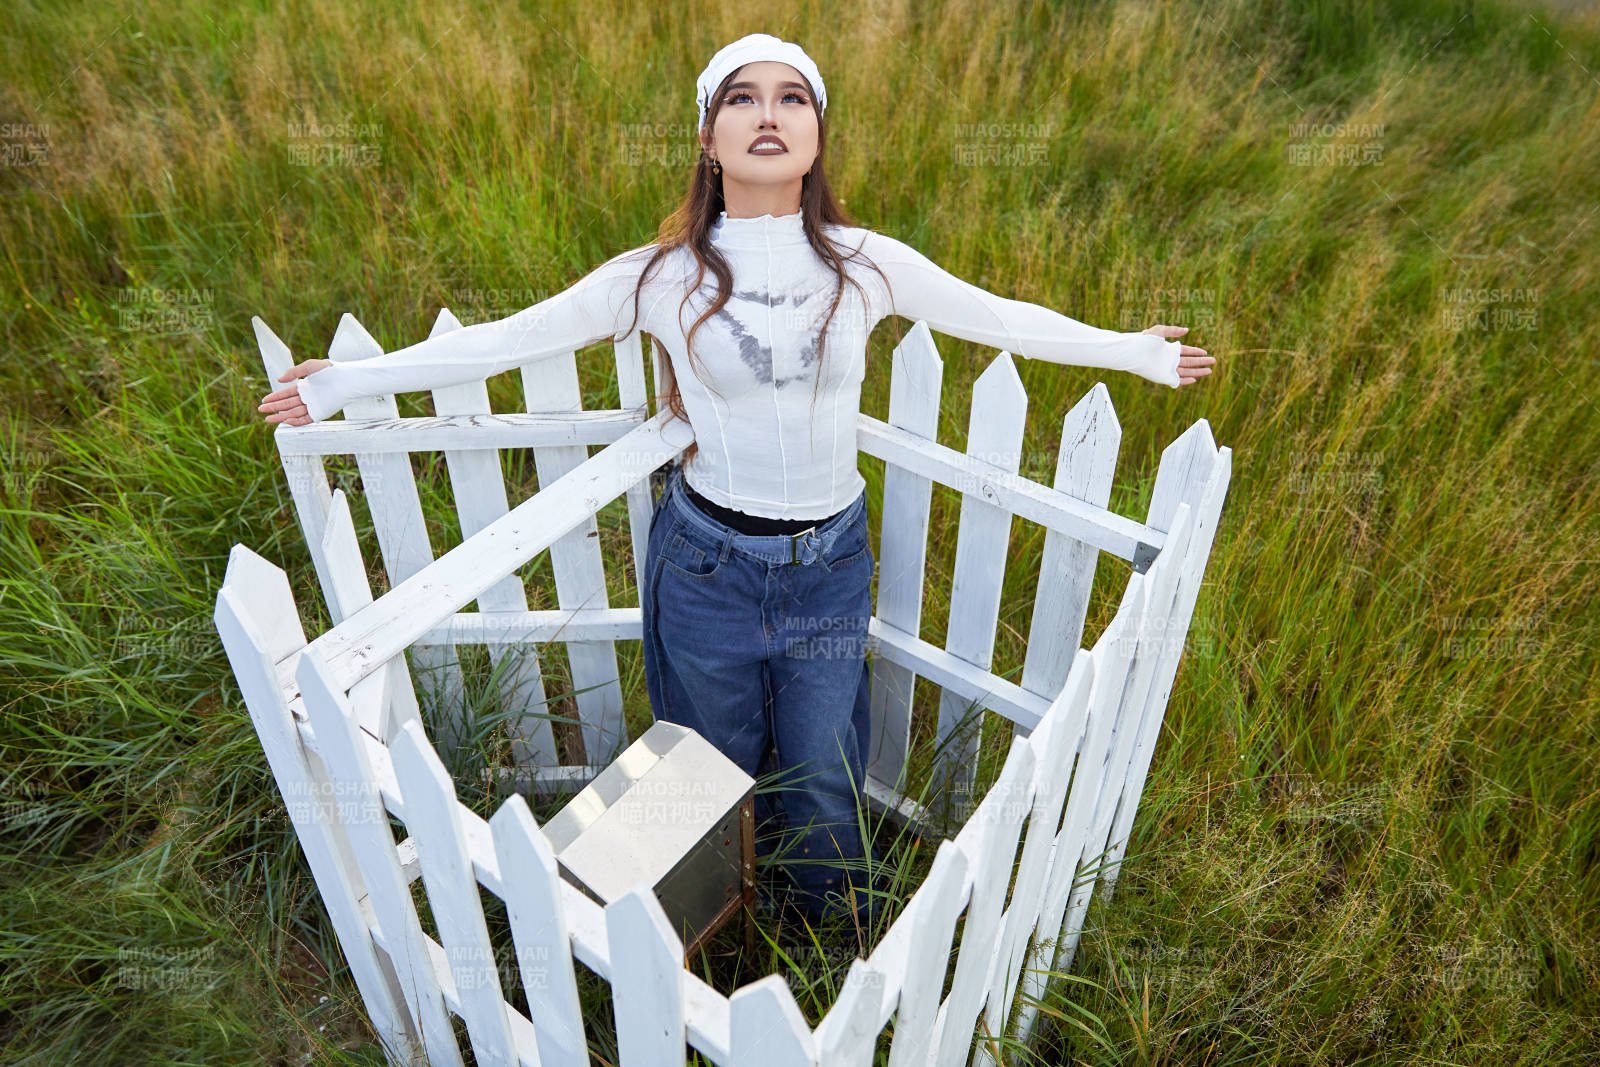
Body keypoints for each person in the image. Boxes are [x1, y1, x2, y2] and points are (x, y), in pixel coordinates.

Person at [257, 33, 1215, 926]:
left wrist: (1129, 351)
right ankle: (690, 944)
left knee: (824, 772)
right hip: (708, 563)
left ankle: (824, 947)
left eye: (792, 98)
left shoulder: (863, 263)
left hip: (828, 562)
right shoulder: (662, 274)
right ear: (709, 139)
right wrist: (343, 383)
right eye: (742, 98)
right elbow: (511, 338)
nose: (770, 113)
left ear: (815, 135)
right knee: (700, 768)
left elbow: (997, 316)